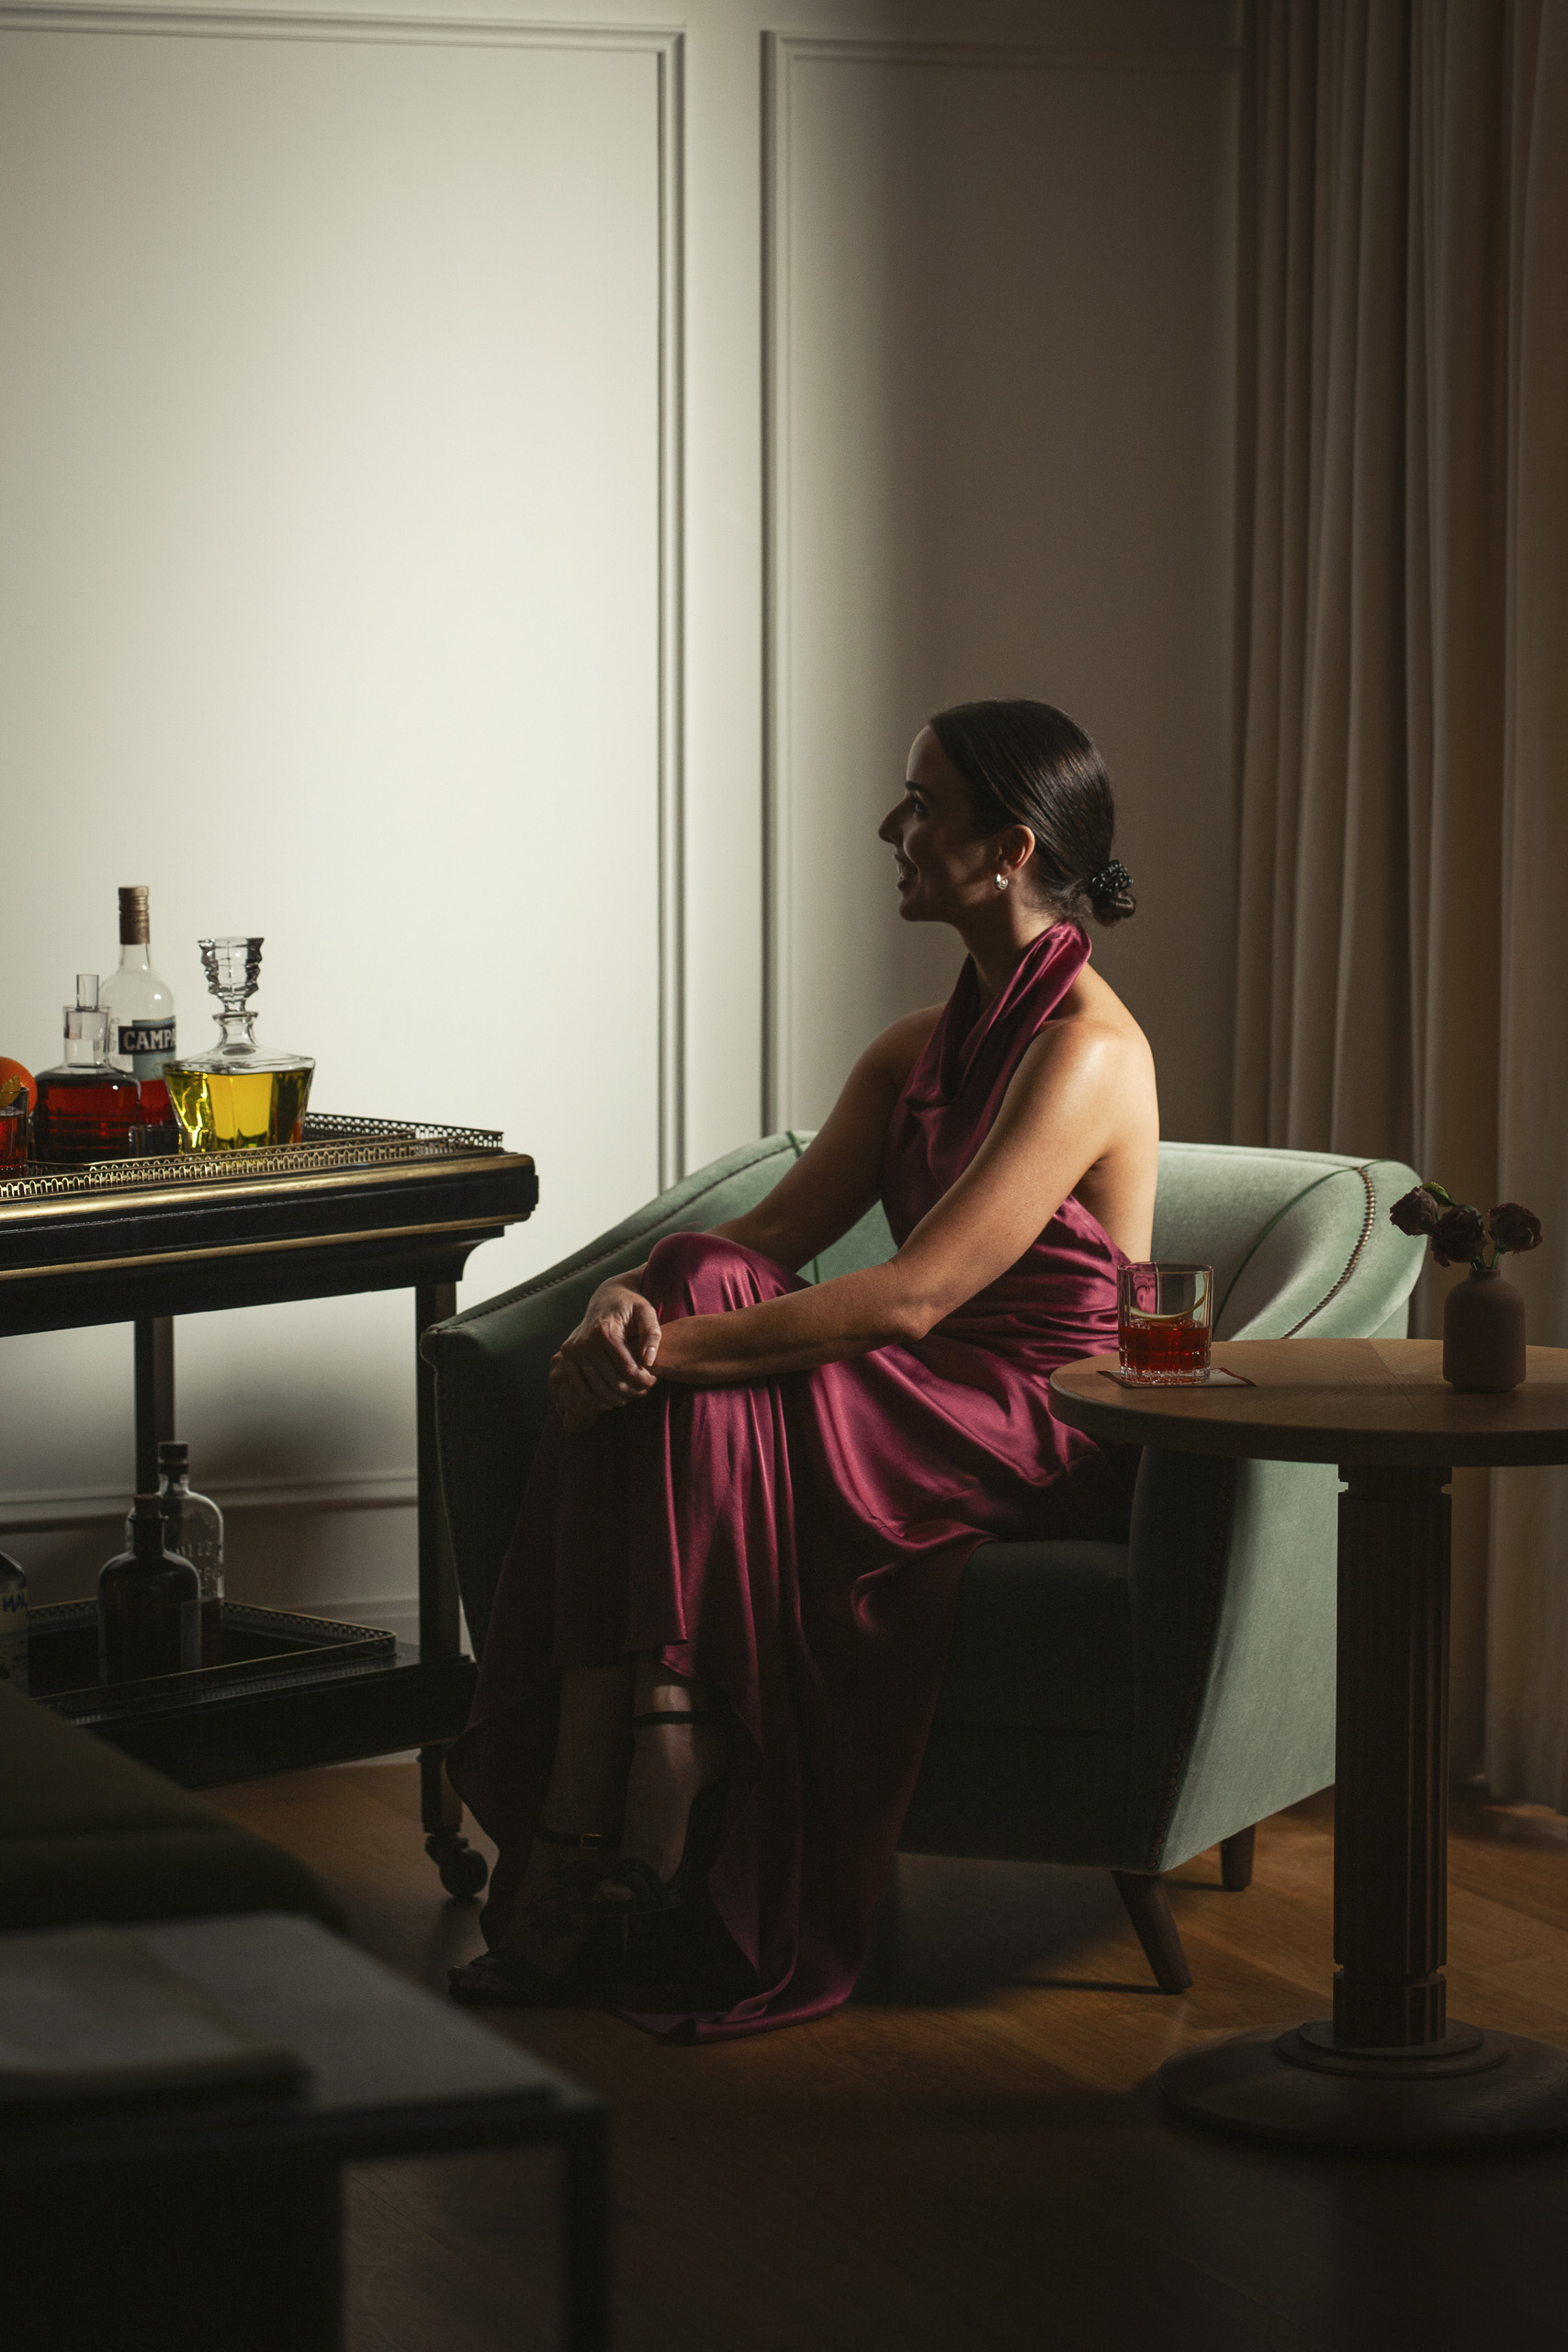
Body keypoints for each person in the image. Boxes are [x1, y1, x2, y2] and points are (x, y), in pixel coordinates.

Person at [446, 697, 1157, 2038]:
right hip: (915, 1396)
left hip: (1032, 1420)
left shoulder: (1090, 1054)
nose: (891, 830)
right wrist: (623, 1306)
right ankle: (655, 1741)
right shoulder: (913, 1049)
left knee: (685, 1360)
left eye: (920, 806)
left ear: (1006, 848)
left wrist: (644, 1368)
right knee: (694, 1277)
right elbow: (761, 1242)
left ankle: (587, 1822)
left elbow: (914, 1297)